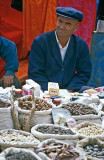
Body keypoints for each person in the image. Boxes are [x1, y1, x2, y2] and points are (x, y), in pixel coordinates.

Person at [28, 7, 91, 92]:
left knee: (91, 93)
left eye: (68, 24)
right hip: (45, 89)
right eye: (60, 21)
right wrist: (52, 91)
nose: (62, 26)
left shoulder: (81, 45)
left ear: (76, 27)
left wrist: (70, 90)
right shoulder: (40, 42)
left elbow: (84, 72)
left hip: (71, 89)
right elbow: (35, 72)